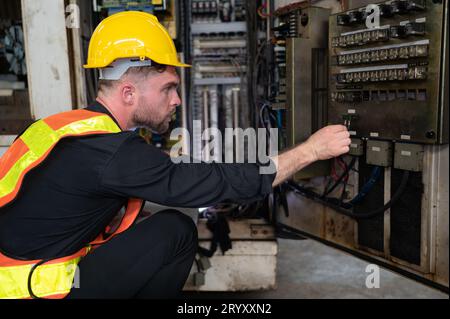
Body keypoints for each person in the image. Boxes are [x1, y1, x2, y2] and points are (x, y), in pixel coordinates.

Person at [0, 11, 351, 299]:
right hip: (34, 290)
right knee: (176, 230)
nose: (177, 101)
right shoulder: (111, 152)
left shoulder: (66, 128)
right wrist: (311, 150)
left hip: (16, 274)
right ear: (128, 93)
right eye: (168, 89)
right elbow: (207, 183)